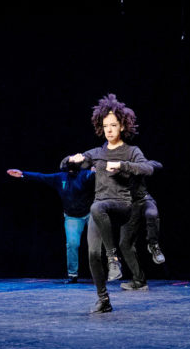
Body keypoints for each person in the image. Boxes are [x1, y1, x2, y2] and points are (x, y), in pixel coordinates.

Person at [64, 94, 154, 314]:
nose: (109, 130)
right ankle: (103, 299)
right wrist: (71, 160)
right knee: (93, 253)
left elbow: (147, 168)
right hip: (100, 208)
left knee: (96, 208)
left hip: (122, 206)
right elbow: (68, 164)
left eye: (113, 125)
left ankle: (113, 259)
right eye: (105, 126)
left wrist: (122, 165)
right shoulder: (97, 153)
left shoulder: (132, 151)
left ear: (122, 126)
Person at [5, 162, 95, 282]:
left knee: (95, 245)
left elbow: (96, 178)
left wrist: (95, 172)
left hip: (90, 213)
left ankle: (100, 273)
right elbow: (41, 176)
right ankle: (72, 275)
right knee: (72, 244)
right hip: (72, 216)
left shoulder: (86, 174)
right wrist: (23, 174)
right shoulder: (60, 177)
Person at [117, 160, 166, 289]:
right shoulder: (110, 167)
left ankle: (153, 245)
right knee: (124, 243)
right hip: (128, 206)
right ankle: (139, 281)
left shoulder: (133, 162)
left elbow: (158, 165)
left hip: (144, 199)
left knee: (152, 214)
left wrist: (135, 166)